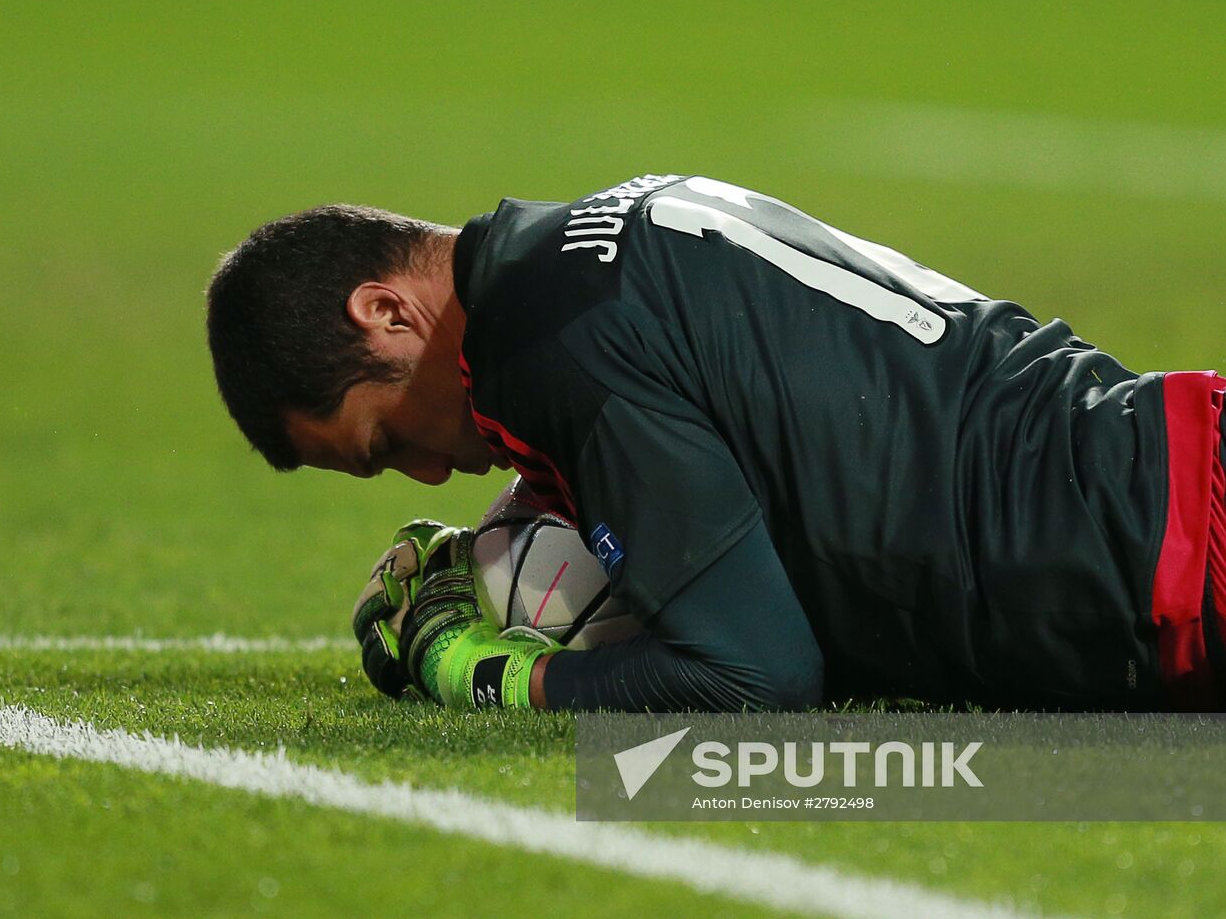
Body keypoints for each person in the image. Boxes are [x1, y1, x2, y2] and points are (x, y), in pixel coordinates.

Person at [204, 174, 1226, 713]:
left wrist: (479, 672)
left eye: (382, 442)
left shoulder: (553, 343)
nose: (428, 473)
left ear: (386, 310)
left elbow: (753, 677)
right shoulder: (583, 250)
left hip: (1174, 559)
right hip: (1163, 465)